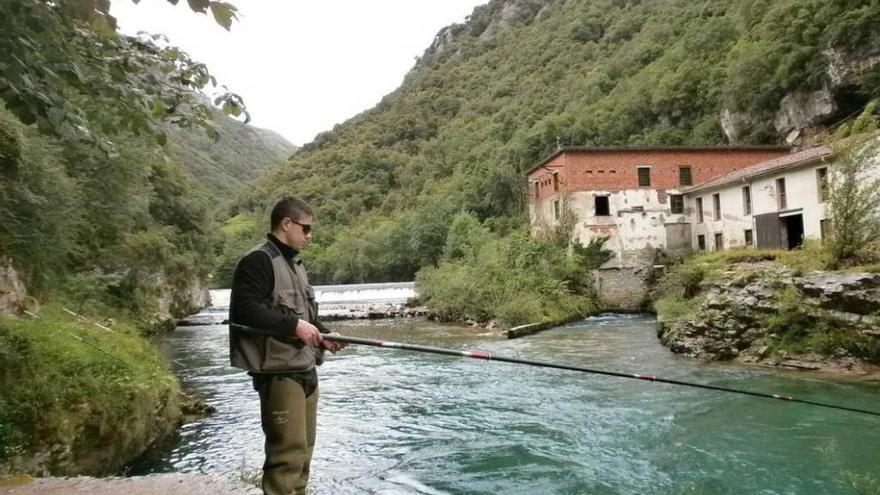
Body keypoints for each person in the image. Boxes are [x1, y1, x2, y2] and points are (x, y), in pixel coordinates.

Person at [228, 196, 345, 495]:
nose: (310, 235)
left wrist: (324, 334)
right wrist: (294, 326)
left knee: (304, 453)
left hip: (305, 367)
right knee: (286, 457)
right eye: (305, 229)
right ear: (286, 224)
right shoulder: (259, 260)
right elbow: (244, 310)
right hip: (279, 373)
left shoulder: (295, 264)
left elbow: (305, 317)